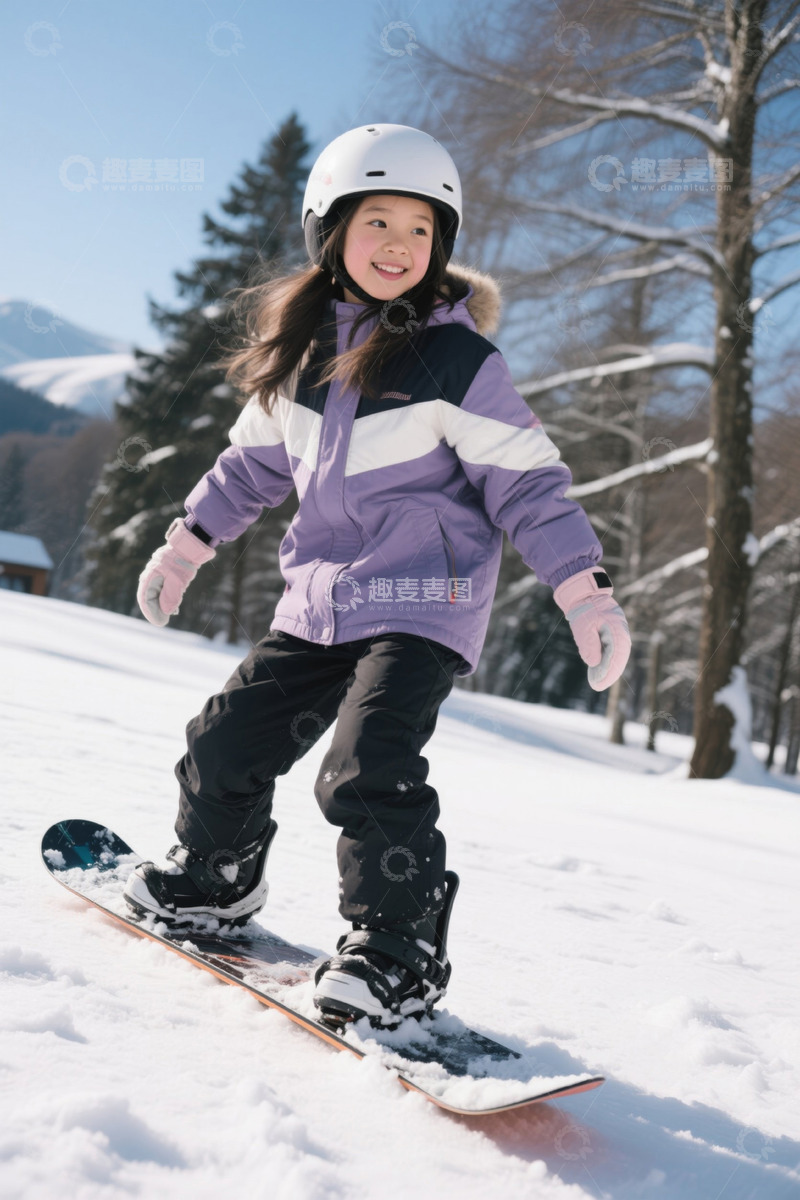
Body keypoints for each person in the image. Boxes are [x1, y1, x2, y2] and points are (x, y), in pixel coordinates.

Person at [125, 123, 631, 1030]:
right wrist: (186, 543)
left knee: (366, 768)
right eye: (378, 222)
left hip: (422, 603)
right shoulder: (300, 357)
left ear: (442, 247)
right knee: (224, 742)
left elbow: (528, 483)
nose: (399, 245)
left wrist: (581, 586)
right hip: (319, 600)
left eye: (421, 230)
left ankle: (400, 951)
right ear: (330, 232)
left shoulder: (459, 363)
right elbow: (250, 469)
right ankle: (218, 878)